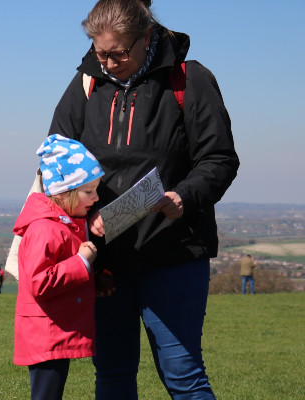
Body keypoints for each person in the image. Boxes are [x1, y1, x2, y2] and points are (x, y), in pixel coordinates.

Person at [48, 1, 240, 399]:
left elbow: (219, 159)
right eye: (101, 53)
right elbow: (56, 161)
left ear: (147, 36)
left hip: (173, 255)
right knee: (113, 375)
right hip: (104, 263)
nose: (111, 62)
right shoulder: (86, 84)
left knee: (183, 376)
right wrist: (88, 212)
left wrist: (184, 196)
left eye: (120, 52)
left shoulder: (190, 79)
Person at [13, 134, 112, 400]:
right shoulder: (45, 228)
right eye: (88, 191)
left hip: (55, 329)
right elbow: (39, 282)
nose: (96, 197)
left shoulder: (65, 224)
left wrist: (95, 277)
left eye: (96, 189)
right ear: (64, 192)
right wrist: (81, 263)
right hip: (46, 332)